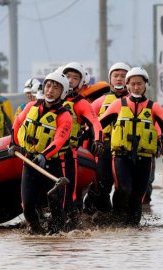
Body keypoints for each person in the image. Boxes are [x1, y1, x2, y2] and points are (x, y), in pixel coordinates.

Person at [99, 67, 163, 225]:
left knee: (138, 195)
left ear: (146, 85)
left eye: (139, 84)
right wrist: (82, 138)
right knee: (123, 189)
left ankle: (134, 232)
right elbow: (98, 125)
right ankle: (116, 221)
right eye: (132, 84)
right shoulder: (118, 105)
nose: (136, 87)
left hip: (144, 158)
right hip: (121, 156)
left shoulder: (154, 107)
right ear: (127, 85)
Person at [8, 71, 72, 234]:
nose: (50, 90)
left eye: (55, 88)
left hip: (51, 164)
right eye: (48, 86)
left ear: (63, 92)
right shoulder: (31, 106)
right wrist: (14, 143)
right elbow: (17, 123)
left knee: (55, 204)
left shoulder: (64, 116)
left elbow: (59, 140)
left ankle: (58, 235)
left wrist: (44, 155)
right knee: (28, 206)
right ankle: (36, 233)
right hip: (30, 162)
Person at [84, 62, 131, 214]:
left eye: (123, 76)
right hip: (103, 147)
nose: (119, 79)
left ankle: (120, 217)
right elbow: (88, 126)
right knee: (100, 185)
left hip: (127, 149)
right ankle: (99, 216)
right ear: (110, 79)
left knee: (125, 188)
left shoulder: (137, 102)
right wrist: (87, 147)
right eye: (116, 76)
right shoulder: (99, 102)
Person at [60, 62, 104, 226]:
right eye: (68, 76)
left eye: (75, 78)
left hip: (68, 153)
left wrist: (98, 139)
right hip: (44, 154)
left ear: (80, 82)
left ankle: (71, 226)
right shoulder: (48, 99)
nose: (70, 80)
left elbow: (95, 123)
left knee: (70, 194)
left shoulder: (81, 103)